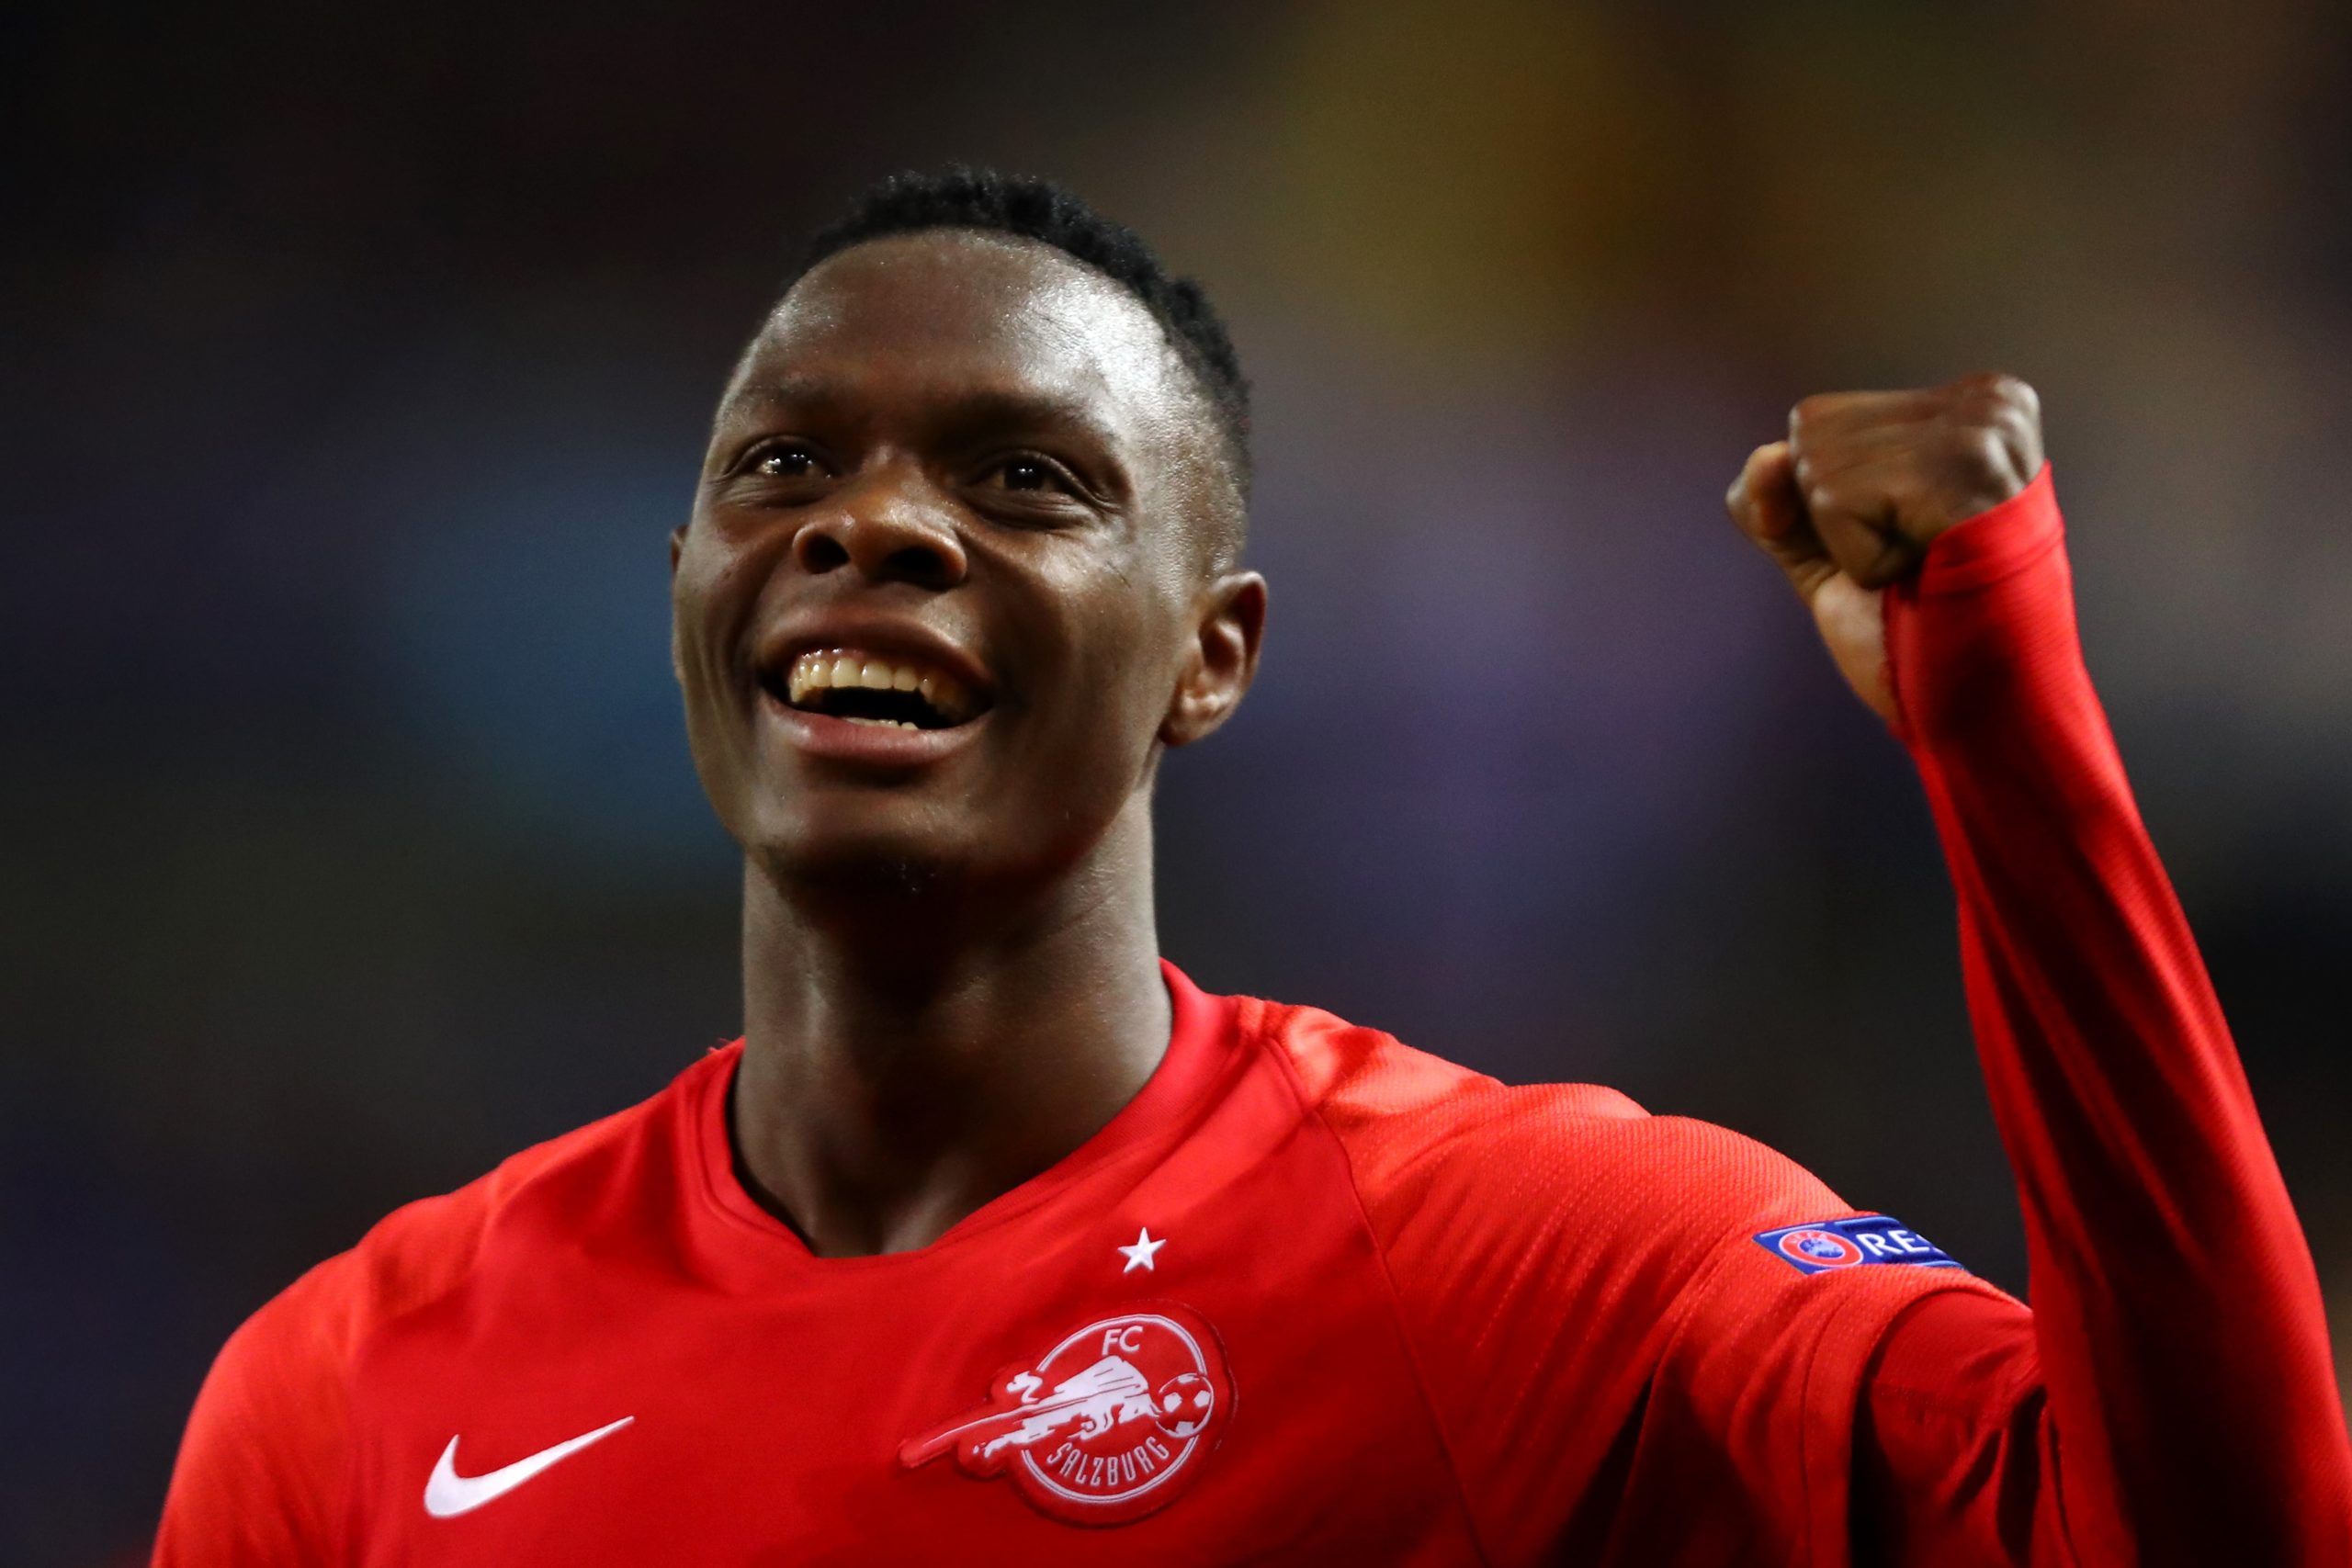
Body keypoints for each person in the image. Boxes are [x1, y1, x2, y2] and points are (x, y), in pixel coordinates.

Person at [153, 166, 2352, 1565]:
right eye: (786, 463)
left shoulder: (1511, 1259)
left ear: (1211, 659)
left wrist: (2009, 748)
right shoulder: (348, 1387)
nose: (872, 520)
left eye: (1022, 477)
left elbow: (2208, 1532)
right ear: (688, 593)